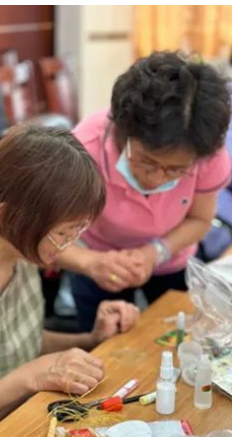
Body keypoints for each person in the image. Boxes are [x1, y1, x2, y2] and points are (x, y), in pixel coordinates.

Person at [0, 126, 140, 437]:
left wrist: (92, 339)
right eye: (63, 234)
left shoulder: (18, 247)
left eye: (77, 232)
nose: (68, 246)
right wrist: (29, 378)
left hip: (27, 418)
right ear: (9, 216)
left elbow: (20, 343)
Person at [57, 52, 231, 331]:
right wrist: (90, 263)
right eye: (147, 162)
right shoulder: (84, 150)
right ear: (121, 131)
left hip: (172, 257)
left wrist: (156, 253)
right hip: (97, 259)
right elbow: (41, 234)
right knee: (102, 342)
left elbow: (200, 219)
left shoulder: (207, 154)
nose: (157, 178)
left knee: (178, 335)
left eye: (176, 169)